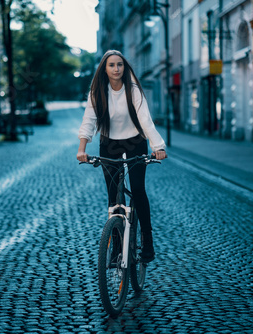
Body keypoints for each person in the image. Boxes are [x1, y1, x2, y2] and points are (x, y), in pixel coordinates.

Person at [77, 50, 167, 263]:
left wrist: (158, 146)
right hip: (109, 143)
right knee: (113, 197)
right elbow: (89, 120)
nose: (116, 69)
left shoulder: (133, 90)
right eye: (111, 65)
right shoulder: (97, 92)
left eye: (120, 64)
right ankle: (117, 245)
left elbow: (145, 120)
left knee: (137, 189)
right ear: (104, 69)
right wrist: (82, 149)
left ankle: (147, 239)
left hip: (135, 141)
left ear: (124, 67)